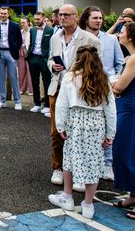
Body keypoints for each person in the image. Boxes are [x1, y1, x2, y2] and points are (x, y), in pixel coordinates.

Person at [48, 46, 116, 219]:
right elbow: (110, 109)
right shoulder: (103, 78)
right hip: (96, 122)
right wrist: (110, 134)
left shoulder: (70, 77)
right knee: (93, 161)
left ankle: (67, 196)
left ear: (78, 59)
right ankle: (88, 204)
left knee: (69, 158)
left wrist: (60, 126)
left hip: (75, 121)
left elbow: (62, 104)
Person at [47, 4, 101, 191]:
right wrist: (52, 66)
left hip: (79, 94)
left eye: (67, 15)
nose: (62, 18)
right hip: (58, 88)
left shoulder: (90, 39)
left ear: (76, 17)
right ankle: (58, 168)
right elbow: (50, 59)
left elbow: (96, 67)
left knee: (79, 134)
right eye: (60, 15)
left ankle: (79, 172)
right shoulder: (55, 37)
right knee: (56, 132)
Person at [80, 5, 124, 181]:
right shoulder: (79, 37)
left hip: (106, 87)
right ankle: (84, 163)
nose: (99, 21)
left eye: (100, 18)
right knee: (85, 125)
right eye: (95, 18)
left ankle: (107, 164)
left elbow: (120, 63)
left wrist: (114, 80)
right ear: (86, 20)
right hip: (83, 87)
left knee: (108, 125)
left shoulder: (111, 39)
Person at [111, 22, 135, 220]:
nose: (119, 34)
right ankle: (132, 195)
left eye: (122, 31)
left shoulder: (134, 59)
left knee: (126, 152)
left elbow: (119, 87)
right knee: (125, 152)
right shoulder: (129, 58)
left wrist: (110, 84)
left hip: (130, 109)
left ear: (131, 36)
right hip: (124, 107)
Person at [0, 7, 23, 110]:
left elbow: (19, 40)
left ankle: (17, 101)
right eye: (1, 13)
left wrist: (15, 49)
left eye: (5, 13)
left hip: (10, 53)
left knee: (13, 77)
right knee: (0, 78)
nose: (3, 15)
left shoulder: (15, 25)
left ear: (8, 14)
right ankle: (2, 100)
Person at [27, 11, 54, 115]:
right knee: (34, 81)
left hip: (44, 59)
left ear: (43, 19)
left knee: (47, 82)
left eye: (38, 19)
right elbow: (31, 43)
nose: (36, 21)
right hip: (33, 58)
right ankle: (37, 104)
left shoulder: (50, 30)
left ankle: (47, 105)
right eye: (35, 19)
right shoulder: (32, 30)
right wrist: (28, 56)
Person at [18, 17, 32, 95]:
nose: (22, 24)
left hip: (28, 51)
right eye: (21, 22)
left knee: (29, 71)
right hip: (20, 52)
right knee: (21, 71)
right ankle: (21, 88)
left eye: (24, 22)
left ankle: (30, 89)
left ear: (28, 23)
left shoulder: (32, 31)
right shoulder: (20, 31)